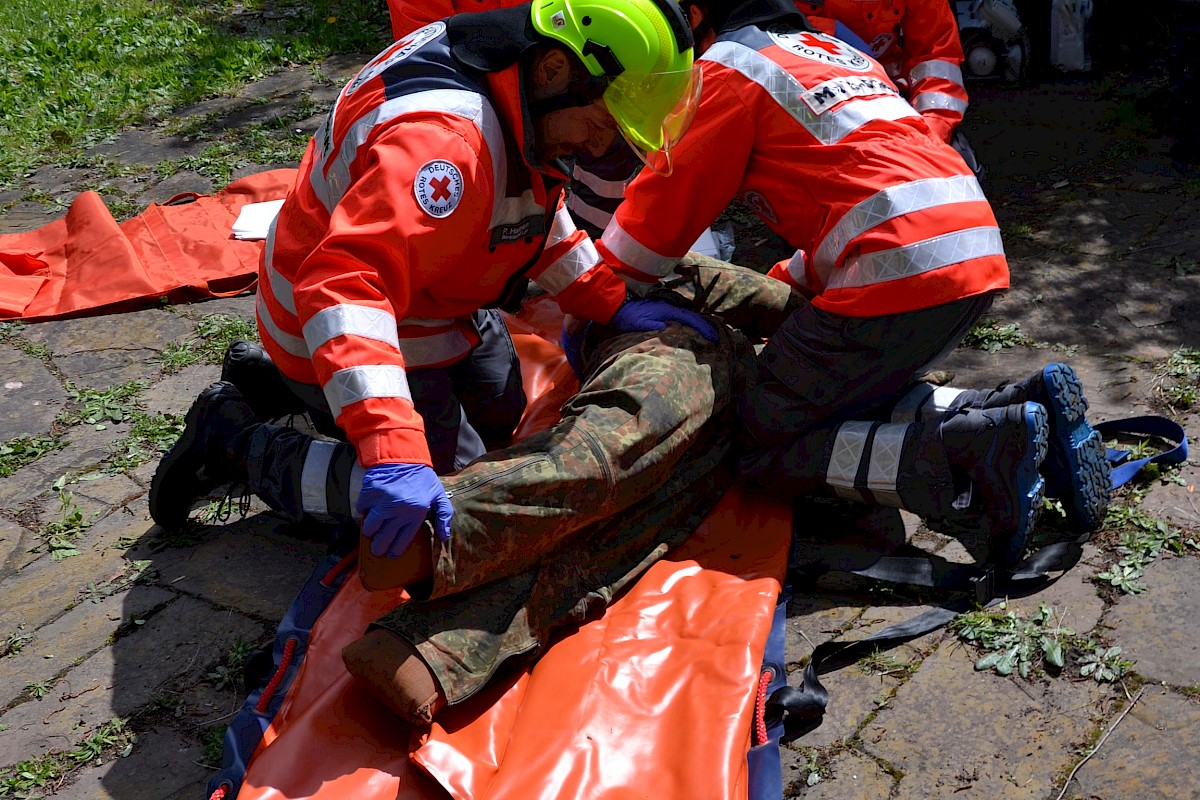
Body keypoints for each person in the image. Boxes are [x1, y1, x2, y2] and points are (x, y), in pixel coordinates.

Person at [150, 0, 720, 542]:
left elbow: (530, 212)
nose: (598, 147)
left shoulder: (511, 76)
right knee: (454, 499)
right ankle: (236, 443)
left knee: (502, 410)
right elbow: (346, 287)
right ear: (554, 68)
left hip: (429, 295)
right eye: (600, 125)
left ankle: (277, 383)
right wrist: (391, 446)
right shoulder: (445, 147)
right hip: (335, 314)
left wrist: (607, 300)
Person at [592, 0, 1111, 565]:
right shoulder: (839, 56)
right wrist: (785, 288)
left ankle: (968, 452)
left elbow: (661, 210)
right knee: (847, 387)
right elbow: (853, 202)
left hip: (899, 268)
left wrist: (598, 293)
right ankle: (1014, 409)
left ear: (697, 18)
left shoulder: (726, 69)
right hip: (971, 245)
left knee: (759, 439)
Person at [150, 265, 788, 724]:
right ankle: (239, 442)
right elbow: (344, 288)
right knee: (588, 457)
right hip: (379, 321)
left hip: (427, 329)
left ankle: (435, 643)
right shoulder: (457, 140)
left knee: (649, 513)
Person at [385, 0, 646, 238]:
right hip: (475, 96)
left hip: (530, 87)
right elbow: (429, 50)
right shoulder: (445, 143)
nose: (598, 146)